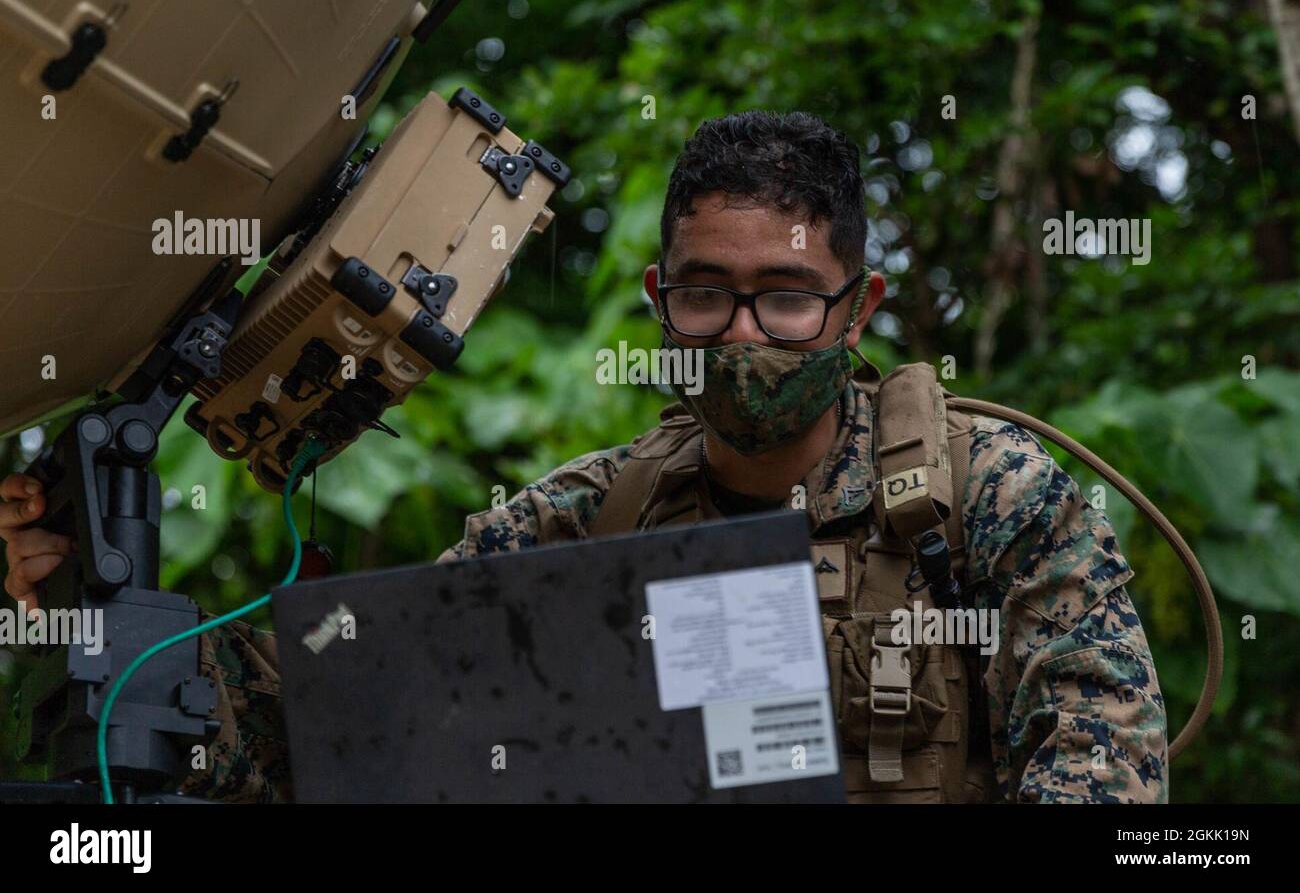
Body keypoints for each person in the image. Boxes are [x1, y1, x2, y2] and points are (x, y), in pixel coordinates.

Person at [1, 110, 1166, 803]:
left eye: (788, 300)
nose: (746, 336)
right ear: (662, 297)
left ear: (858, 307)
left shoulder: (990, 499)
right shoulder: (579, 521)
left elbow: (1104, 770)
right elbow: (329, 721)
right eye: (709, 295)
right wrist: (94, 607)